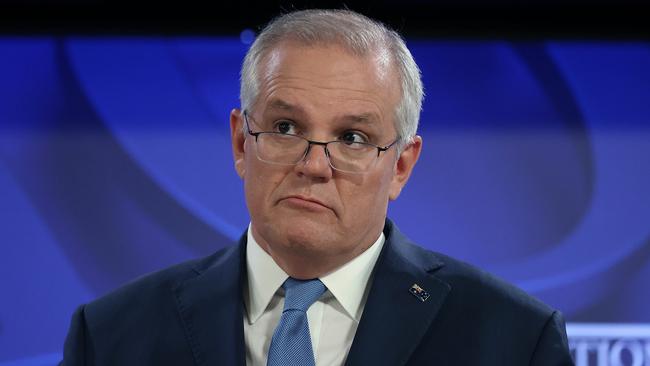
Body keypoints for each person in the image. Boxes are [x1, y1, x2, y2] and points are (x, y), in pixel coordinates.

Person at [60, 9, 574, 366]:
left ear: (401, 166)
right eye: (285, 128)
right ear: (241, 142)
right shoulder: (110, 336)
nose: (314, 165)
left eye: (353, 138)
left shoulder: (513, 339)